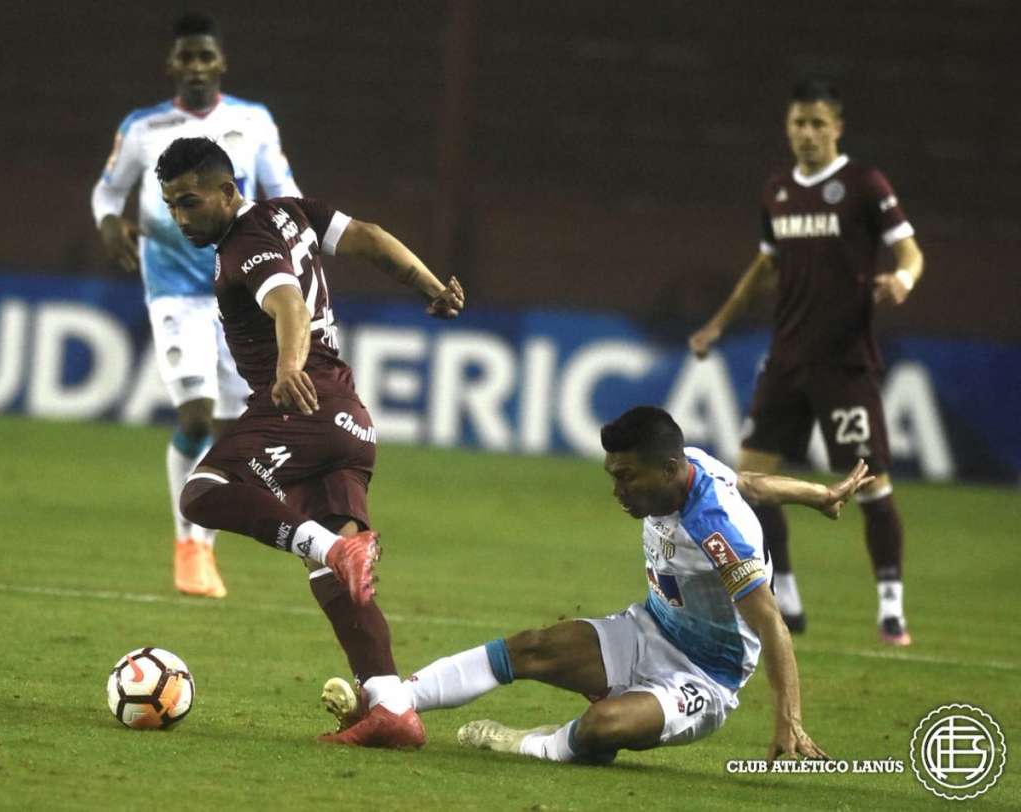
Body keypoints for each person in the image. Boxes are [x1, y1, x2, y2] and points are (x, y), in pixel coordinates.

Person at [320, 406, 873, 761]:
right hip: (650, 629)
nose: (618, 490)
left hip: (705, 676)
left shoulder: (718, 531)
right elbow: (748, 480)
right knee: (530, 647)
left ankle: (526, 743)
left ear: (667, 470)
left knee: (601, 727)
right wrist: (816, 494)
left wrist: (787, 720)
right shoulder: (695, 465)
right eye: (613, 475)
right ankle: (391, 704)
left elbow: (771, 623)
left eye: (626, 477)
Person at [155, 135, 465, 747]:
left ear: (227, 190)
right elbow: (372, 237)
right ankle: (390, 706)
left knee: (203, 493)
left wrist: (288, 369)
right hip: (348, 417)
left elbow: (288, 304)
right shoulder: (294, 211)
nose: (180, 218)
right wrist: (431, 286)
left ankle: (332, 550)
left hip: (302, 403)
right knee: (336, 577)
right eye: (171, 205)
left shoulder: (246, 241)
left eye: (190, 202)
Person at [688, 77, 924, 645]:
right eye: (799, 123)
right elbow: (764, 268)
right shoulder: (777, 192)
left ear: (837, 128)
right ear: (788, 127)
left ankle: (891, 605)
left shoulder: (865, 185)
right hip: (786, 361)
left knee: (871, 485)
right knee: (750, 480)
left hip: (845, 364)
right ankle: (786, 594)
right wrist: (718, 323)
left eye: (819, 123)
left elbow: (910, 250)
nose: (808, 134)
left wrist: (904, 280)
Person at [91, 13, 301, 598]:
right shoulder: (143, 127)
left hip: (238, 286)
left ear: (221, 63)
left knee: (235, 427)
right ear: (173, 65)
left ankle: (204, 544)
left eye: (205, 56)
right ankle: (188, 543)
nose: (197, 67)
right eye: (186, 57)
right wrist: (109, 222)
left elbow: (283, 188)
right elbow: (108, 191)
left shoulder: (253, 121)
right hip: (173, 290)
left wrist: (295, 247)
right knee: (194, 414)